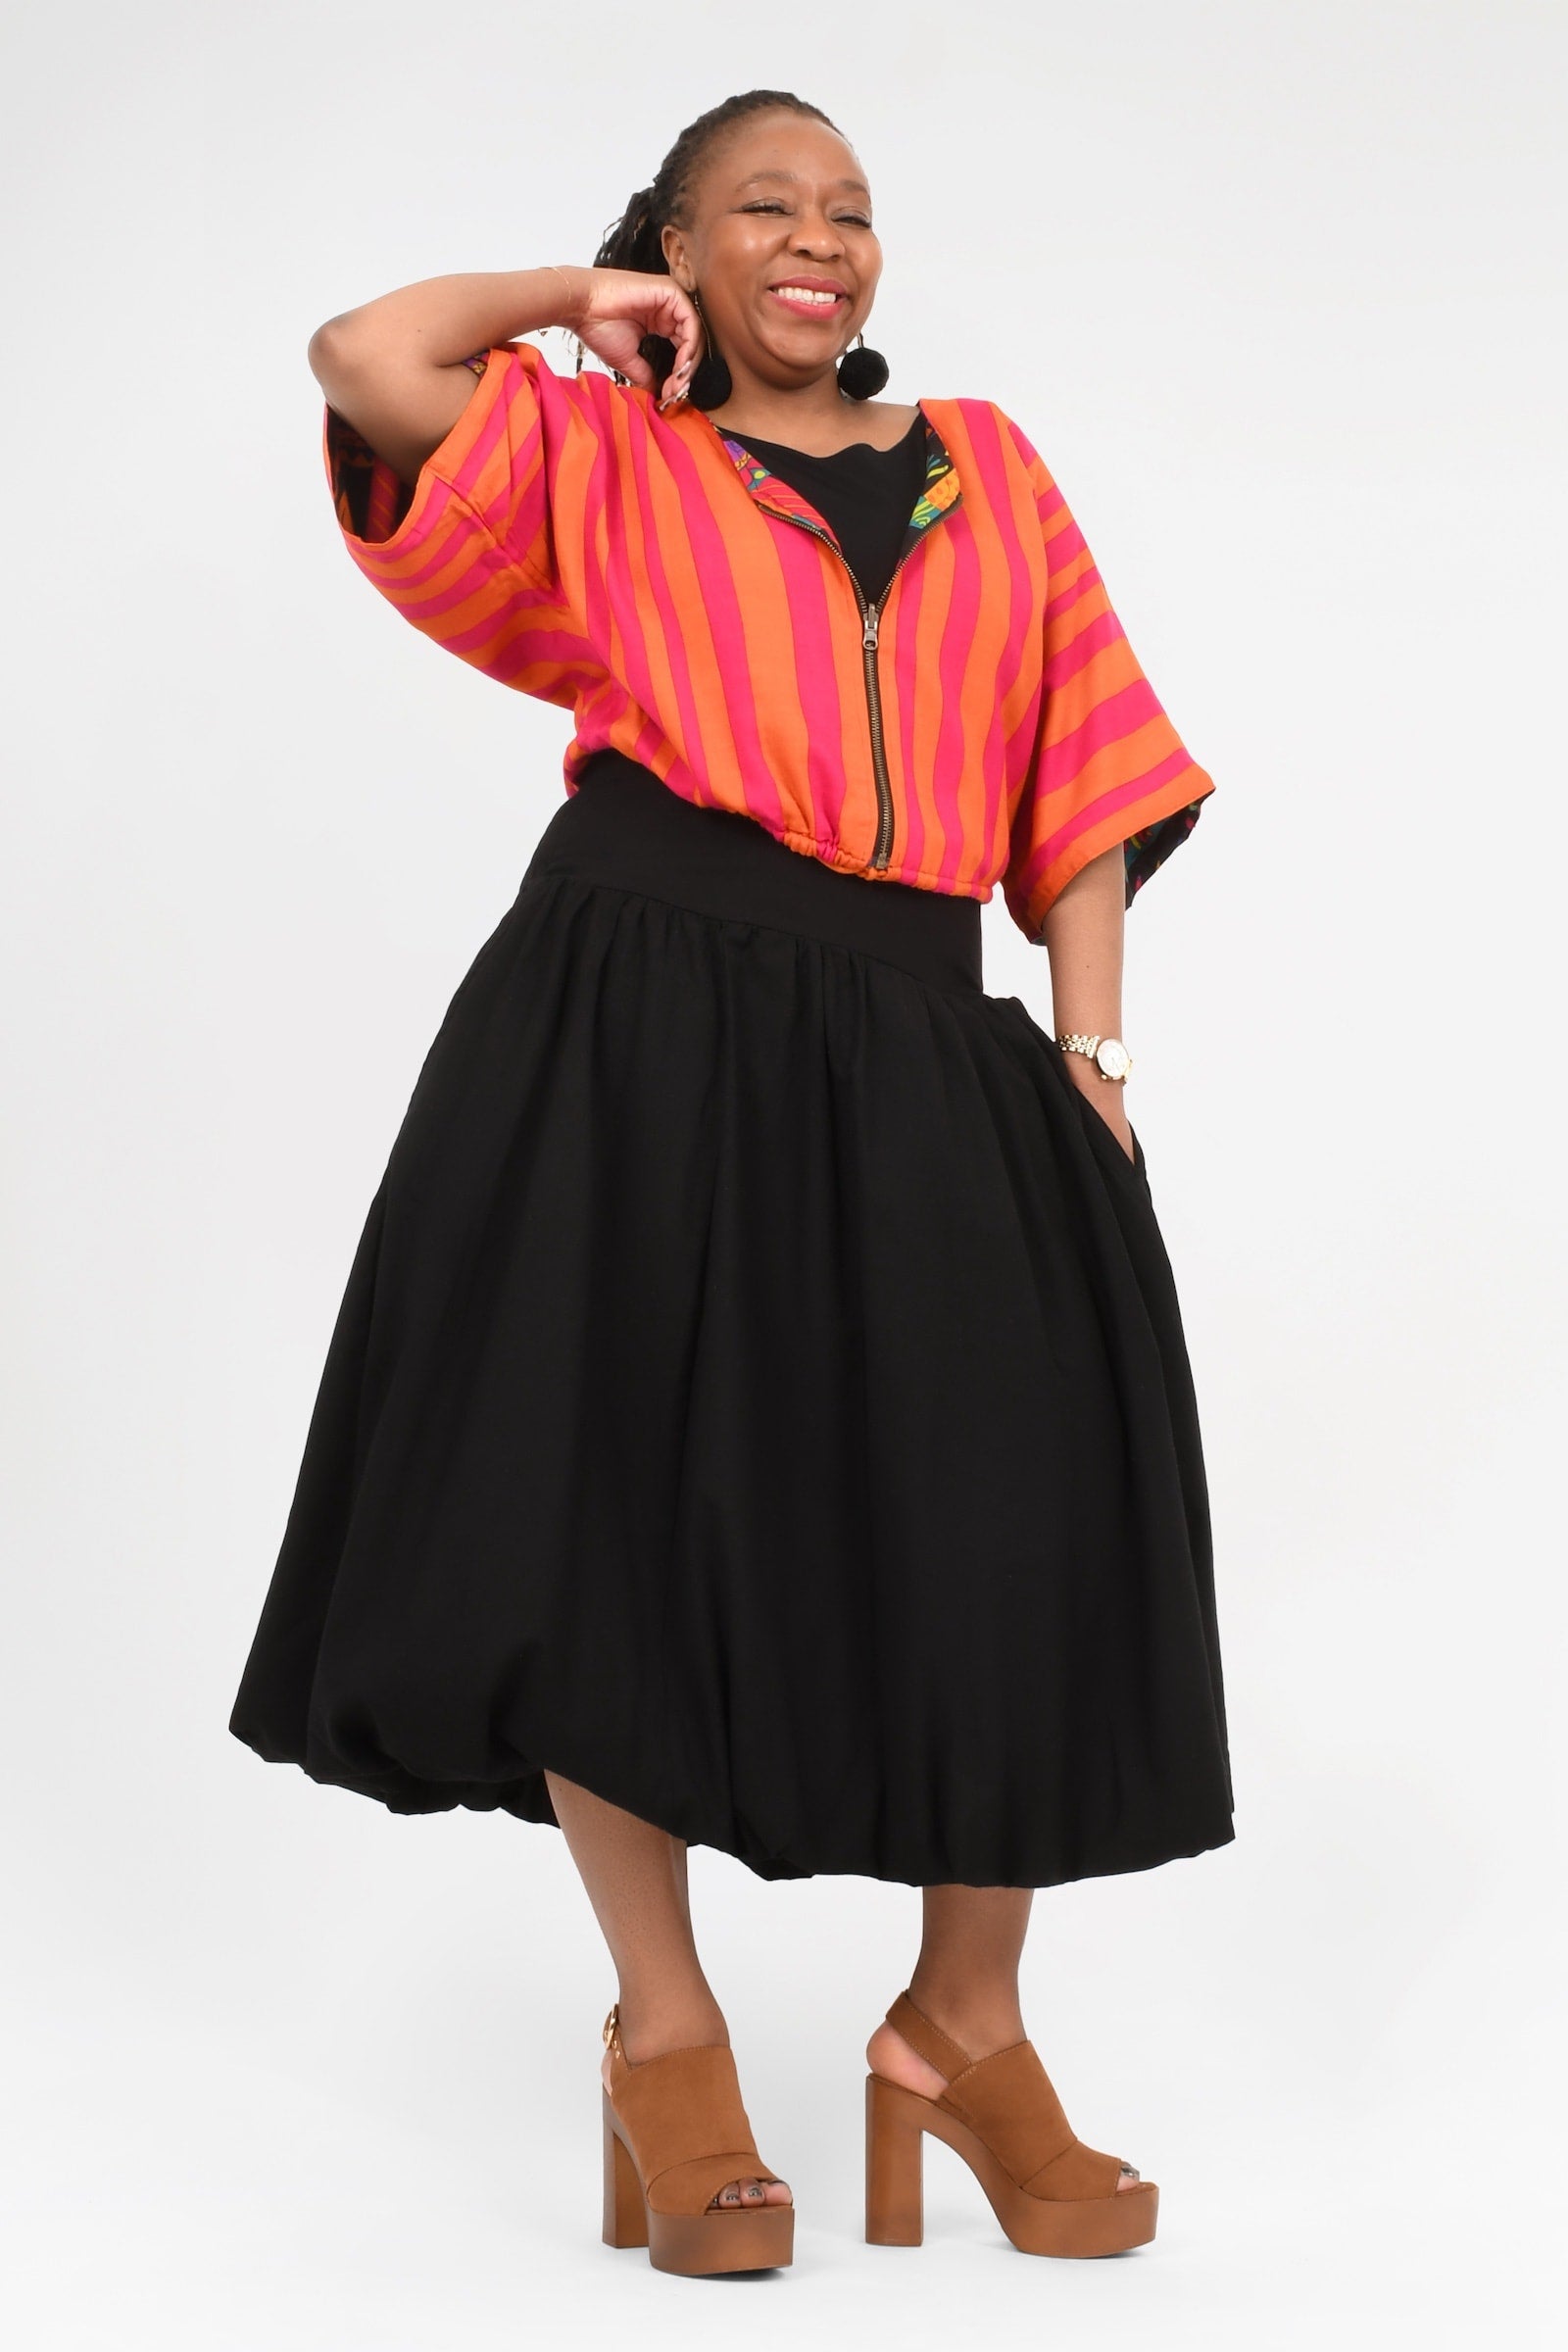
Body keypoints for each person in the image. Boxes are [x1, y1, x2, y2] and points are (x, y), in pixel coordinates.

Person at [228, 87, 1234, 2278]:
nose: (818, 239)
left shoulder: (989, 468)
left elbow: (1079, 775)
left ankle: (961, 2028)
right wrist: (571, 301)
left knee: (1013, 1509)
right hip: (636, 1002)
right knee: (614, 1511)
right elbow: (367, 356)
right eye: (760, 207)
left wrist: (1091, 1059)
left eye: (849, 210)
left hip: (918, 1017)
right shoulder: (598, 455)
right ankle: (668, 2039)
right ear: (676, 251)